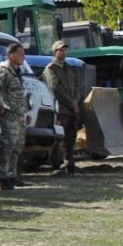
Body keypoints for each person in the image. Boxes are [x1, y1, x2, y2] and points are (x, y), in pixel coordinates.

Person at [0, 41, 31, 190]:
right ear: (11, 55)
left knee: (17, 147)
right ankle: (2, 177)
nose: (23, 57)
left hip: (19, 115)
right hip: (9, 115)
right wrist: (0, 106)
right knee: (7, 146)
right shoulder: (4, 70)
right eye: (20, 54)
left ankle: (12, 176)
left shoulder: (17, 71)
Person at [41, 39, 82, 172]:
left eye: (64, 50)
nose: (63, 52)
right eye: (60, 50)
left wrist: (75, 100)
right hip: (59, 109)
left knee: (71, 138)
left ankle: (69, 163)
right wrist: (71, 102)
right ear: (55, 52)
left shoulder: (69, 68)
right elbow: (55, 88)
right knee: (58, 138)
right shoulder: (50, 68)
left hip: (71, 108)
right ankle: (55, 164)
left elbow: (77, 85)